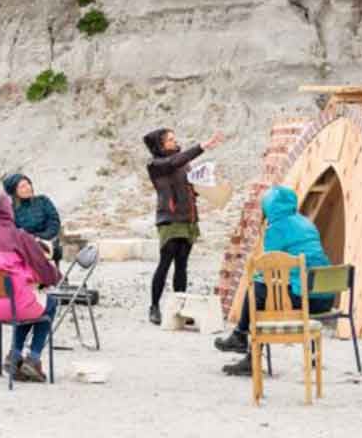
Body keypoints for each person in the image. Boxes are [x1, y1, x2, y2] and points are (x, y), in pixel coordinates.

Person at [214, 185, 335, 376]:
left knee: (257, 291)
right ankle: (241, 340)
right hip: (325, 298)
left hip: (304, 298)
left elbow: (270, 267)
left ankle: (243, 343)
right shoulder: (307, 223)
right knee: (264, 292)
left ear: (269, 207)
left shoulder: (276, 229)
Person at [0, 193, 62, 382]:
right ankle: (33, 359)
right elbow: (45, 269)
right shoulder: (18, 236)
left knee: (24, 304)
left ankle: (15, 355)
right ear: (8, 212)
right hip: (14, 305)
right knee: (48, 303)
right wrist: (53, 277)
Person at [143, 127, 224, 325]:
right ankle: (154, 307)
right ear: (160, 145)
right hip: (169, 220)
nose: (174, 141)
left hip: (188, 218)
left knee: (182, 265)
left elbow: (190, 185)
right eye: (169, 140)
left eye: (173, 138)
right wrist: (202, 146)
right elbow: (173, 162)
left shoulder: (183, 163)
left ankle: (179, 308)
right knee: (165, 262)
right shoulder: (156, 164)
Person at [2, 173, 62, 265]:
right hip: (24, 247)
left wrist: (40, 238)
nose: (28, 188)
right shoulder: (10, 210)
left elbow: (54, 222)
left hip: (46, 242)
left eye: (28, 184)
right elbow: (12, 232)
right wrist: (30, 240)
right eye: (22, 186)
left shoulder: (43, 201)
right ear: (14, 191)